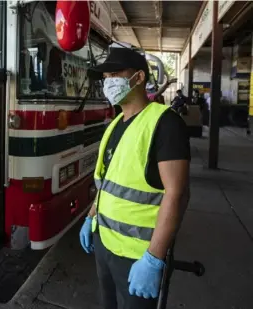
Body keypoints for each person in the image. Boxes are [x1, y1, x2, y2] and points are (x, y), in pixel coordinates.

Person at [82, 47, 191, 309]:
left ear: (139, 78)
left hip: (137, 255)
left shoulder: (165, 123)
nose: (109, 82)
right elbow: (107, 182)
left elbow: (177, 194)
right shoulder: (115, 124)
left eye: (115, 74)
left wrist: (154, 258)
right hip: (104, 244)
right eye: (106, 76)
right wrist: (90, 216)